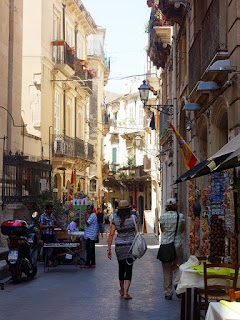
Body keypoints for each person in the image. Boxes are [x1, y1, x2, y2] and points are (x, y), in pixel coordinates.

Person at [107, 200, 139, 300]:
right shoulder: (133, 218)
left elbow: (111, 234)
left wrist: (108, 249)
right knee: (129, 268)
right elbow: (137, 232)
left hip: (119, 247)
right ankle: (126, 292)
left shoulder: (115, 220)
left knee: (121, 267)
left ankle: (121, 289)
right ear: (129, 209)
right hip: (130, 246)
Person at [159, 198, 185, 300]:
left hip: (165, 246)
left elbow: (162, 230)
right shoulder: (180, 216)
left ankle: (168, 293)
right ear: (175, 206)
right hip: (177, 244)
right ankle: (177, 283)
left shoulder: (163, 217)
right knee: (178, 266)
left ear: (166, 207)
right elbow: (182, 230)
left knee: (166, 270)